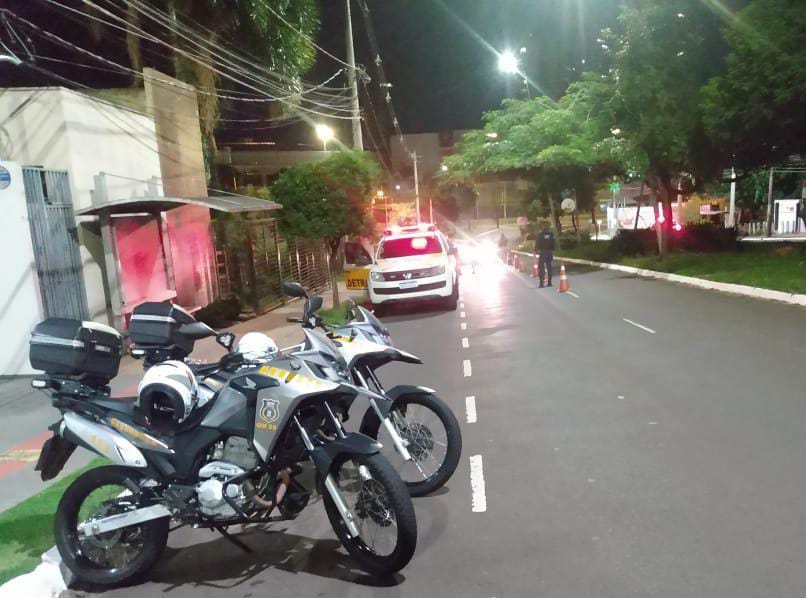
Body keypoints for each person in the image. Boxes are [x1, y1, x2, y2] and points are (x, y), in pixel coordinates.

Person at [535, 221, 555, 287]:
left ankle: (541, 283)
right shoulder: (551, 234)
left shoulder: (540, 234)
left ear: (542, 227)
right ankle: (549, 283)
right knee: (549, 266)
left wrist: (536, 250)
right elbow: (553, 242)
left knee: (541, 267)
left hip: (543, 252)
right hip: (549, 252)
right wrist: (552, 250)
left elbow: (537, 243)